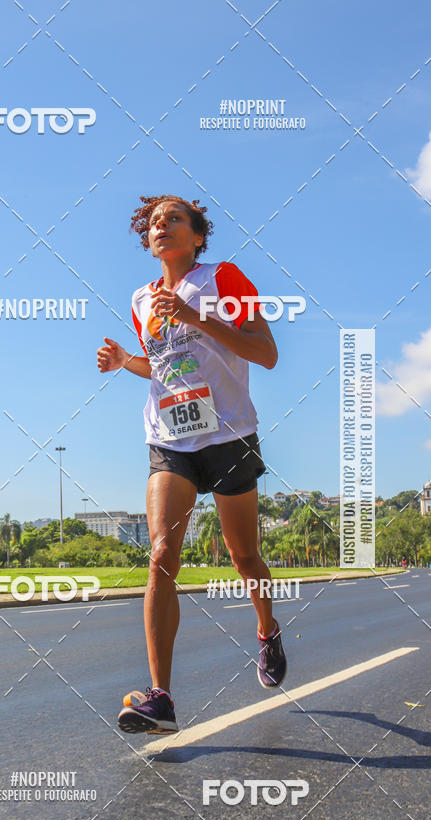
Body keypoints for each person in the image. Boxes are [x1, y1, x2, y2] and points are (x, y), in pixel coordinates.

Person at [96, 195, 286, 735]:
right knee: (160, 554)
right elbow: (162, 368)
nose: (162, 225)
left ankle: (267, 629)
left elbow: (265, 353)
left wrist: (195, 315)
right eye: (155, 221)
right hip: (171, 441)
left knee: (245, 556)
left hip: (229, 437)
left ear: (198, 235)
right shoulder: (141, 299)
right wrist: (123, 362)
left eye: (174, 218)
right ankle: (161, 698)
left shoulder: (222, 278)